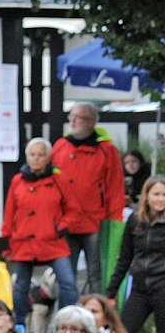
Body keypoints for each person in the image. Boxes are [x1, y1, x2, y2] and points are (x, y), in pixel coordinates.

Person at [52, 102, 125, 287]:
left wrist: (114, 220)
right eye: (71, 116)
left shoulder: (107, 150)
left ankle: (97, 311)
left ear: (91, 122)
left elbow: (115, 187)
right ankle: (66, 313)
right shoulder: (60, 146)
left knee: (96, 273)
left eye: (79, 117)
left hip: (94, 221)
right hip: (65, 221)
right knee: (66, 274)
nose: (73, 121)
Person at [3, 138, 76, 316]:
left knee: (68, 283)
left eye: (41, 155)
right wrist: (8, 240)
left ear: (48, 158)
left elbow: (73, 209)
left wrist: (61, 226)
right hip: (24, 242)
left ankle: (64, 321)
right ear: (27, 157)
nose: (36, 158)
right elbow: (9, 212)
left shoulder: (59, 179)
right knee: (21, 286)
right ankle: (19, 326)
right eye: (32, 154)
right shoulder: (17, 181)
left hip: (52, 241)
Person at [108, 175, 165, 333]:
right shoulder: (135, 220)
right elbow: (125, 258)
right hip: (140, 288)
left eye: (164, 195)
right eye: (156, 194)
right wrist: (110, 293)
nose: (161, 199)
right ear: (146, 196)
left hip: (162, 287)